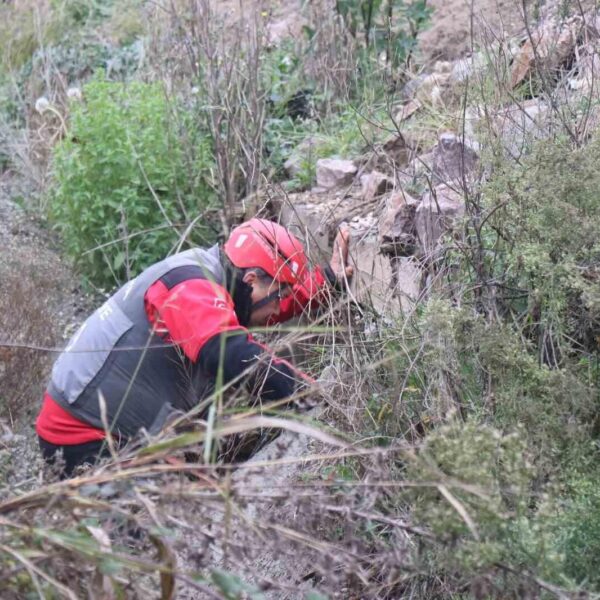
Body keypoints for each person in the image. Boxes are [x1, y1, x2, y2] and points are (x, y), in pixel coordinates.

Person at [35, 218, 353, 476]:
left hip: (97, 424)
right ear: (252, 279)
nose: (279, 307)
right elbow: (232, 355)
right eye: (281, 293)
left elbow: (255, 311)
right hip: (82, 437)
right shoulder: (189, 288)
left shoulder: (208, 275)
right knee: (147, 548)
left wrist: (328, 281)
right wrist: (312, 396)